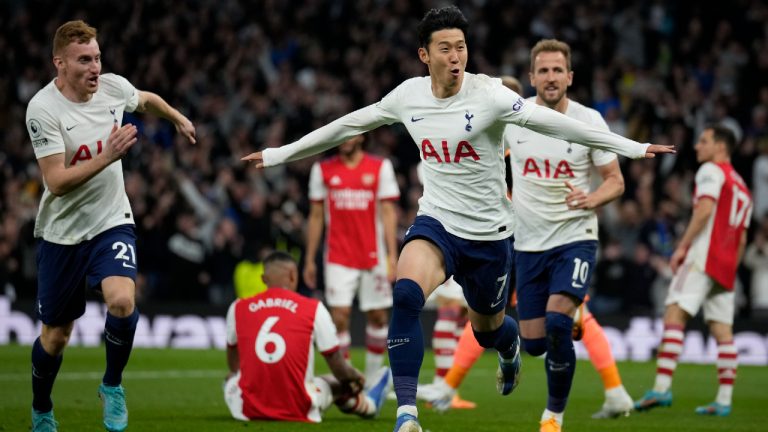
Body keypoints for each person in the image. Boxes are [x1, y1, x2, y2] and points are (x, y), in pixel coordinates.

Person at [242, 7, 673, 432]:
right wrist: (280, 154)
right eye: (445, 48)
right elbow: (349, 124)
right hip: (437, 222)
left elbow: (557, 125)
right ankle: (407, 415)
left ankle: (508, 346)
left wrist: (633, 147)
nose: (455, 56)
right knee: (407, 295)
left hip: (489, 236)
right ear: (424, 55)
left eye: (461, 47)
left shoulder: (490, 96)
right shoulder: (407, 96)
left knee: (488, 330)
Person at [420, 62, 636, 427]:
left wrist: (594, 195)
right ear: (533, 79)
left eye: (558, 70)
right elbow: (485, 162)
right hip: (519, 240)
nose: (551, 77)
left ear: (569, 76)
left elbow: (614, 179)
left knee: (549, 317)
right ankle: (614, 390)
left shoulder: (580, 120)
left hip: (571, 238)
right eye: (544, 70)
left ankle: (553, 414)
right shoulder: (509, 130)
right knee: (522, 333)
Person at [25, 20, 196, 432]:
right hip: (62, 232)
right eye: (84, 60)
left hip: (110, 221)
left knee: (122, 300)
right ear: (60, 63)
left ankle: (112, 385)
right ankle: (42, 409)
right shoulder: (43, 109)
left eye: (98, 57)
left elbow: (146, 99)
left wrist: (175, 116)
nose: (95, 67)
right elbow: (56, 182)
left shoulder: (113, 88)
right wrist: (107, 156)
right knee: (56, 337)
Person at [634, 125, 752, 417]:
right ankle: (724, 400)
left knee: (675, 313)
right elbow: (743, 237)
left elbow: (704, 211)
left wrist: (683, 248)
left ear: (721, 148)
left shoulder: (712, 171)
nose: (697, 146)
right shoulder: (742, 186)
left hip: (703, 256)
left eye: (704, 141)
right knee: (723, 330)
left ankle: (661, 389)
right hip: (726, 265)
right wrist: (731, 269)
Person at [223, 251, 392, 423]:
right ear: (292, 275)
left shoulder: (237, 307)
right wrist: (354, 376)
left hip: (247, 410)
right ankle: (369, 405)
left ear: (263, 278)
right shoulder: (313, 308)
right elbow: (336, 363)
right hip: (298, 407)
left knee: (231, 378)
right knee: (335, 381)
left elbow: (233, 364)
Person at [303, 134, 399, 384]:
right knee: (340, 316)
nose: (344, 140)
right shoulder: (321, 170)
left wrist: (392, 255)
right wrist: (310, 259)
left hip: (373, 255)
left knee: (378, 316)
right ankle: (348, 381)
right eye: (340, 135)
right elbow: (315, 217)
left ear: (362, 136)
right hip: (337, 255)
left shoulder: (380, 167)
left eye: (350, 134)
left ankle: (372, 379)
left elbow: (388, 213)